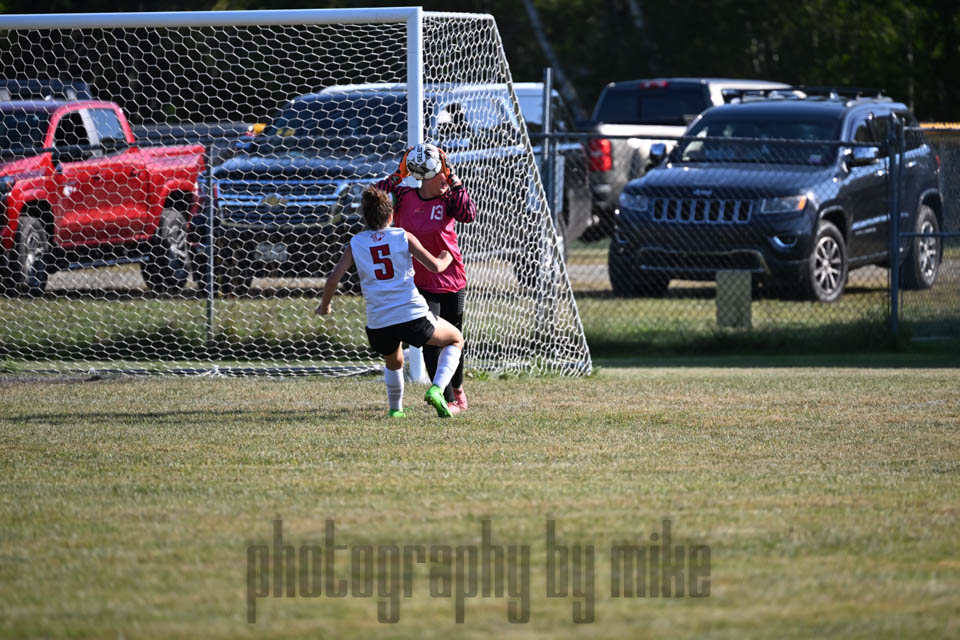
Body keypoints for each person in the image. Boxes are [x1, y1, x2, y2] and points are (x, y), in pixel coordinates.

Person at [316, 187, 464, 419]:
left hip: (379, 322)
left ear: (364, 217)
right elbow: (435, 266)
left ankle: (396, 410)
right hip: (412, 315)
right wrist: (446, 257)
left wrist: (325, 306)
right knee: (455, 339)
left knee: (393, 360)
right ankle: (437, 389)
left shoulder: (356, 243)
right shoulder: (402, 236)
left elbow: (333, 278)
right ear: (391, 215)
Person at [375, 143, 476, 414]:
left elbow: (468, 213)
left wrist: (454, 179)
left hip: (452, 279)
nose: (446, 174)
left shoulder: (448, 199)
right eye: (442, 171)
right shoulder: (405, 196)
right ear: (427, 175)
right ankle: (442, 396)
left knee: (455, 337)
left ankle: (457, 390)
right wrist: (399, 172)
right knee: (430, 340)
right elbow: (376, 195)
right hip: (419, 284)